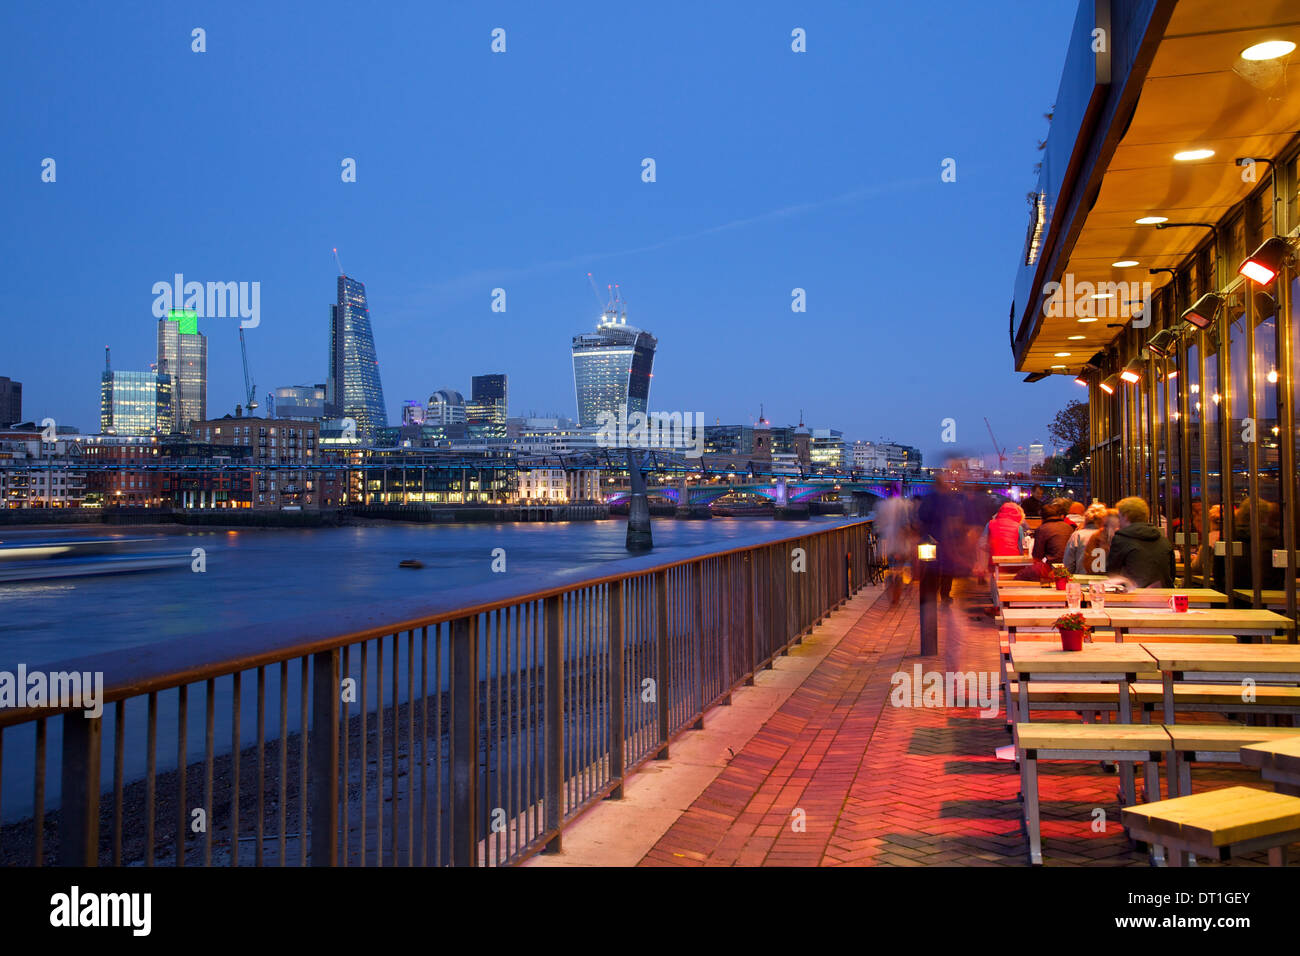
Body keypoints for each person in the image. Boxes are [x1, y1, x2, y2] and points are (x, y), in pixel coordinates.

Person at [1108, 496, 1175, 587]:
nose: (1118, 522)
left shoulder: (1121, 539)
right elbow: (1171, 575)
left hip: (1134, 596)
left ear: (1126, 517)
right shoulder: (1164, 541)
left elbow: (1112, 574)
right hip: (1163, 596)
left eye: (1119, 517)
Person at [1063, 501, 1107, 573]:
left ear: (1086, 517)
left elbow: (1068, 564)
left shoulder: (1077, 535)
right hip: (1106, 582)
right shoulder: (1110, 535)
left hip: (1082, 580)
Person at [1031, 497, 1074, 565]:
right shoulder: (1069, 527)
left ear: (1043, 517)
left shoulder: (1042, 529)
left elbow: (1037, 556)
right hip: (1069, 566)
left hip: (1052, 567)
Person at [1082, 509, 1120, 574]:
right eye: (1106, 526)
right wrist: (1104, 546)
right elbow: (1093, 568)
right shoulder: (1097, 537)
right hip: (1099, 580)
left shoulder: (1125, 539)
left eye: (1114, 526)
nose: (1109, 530)